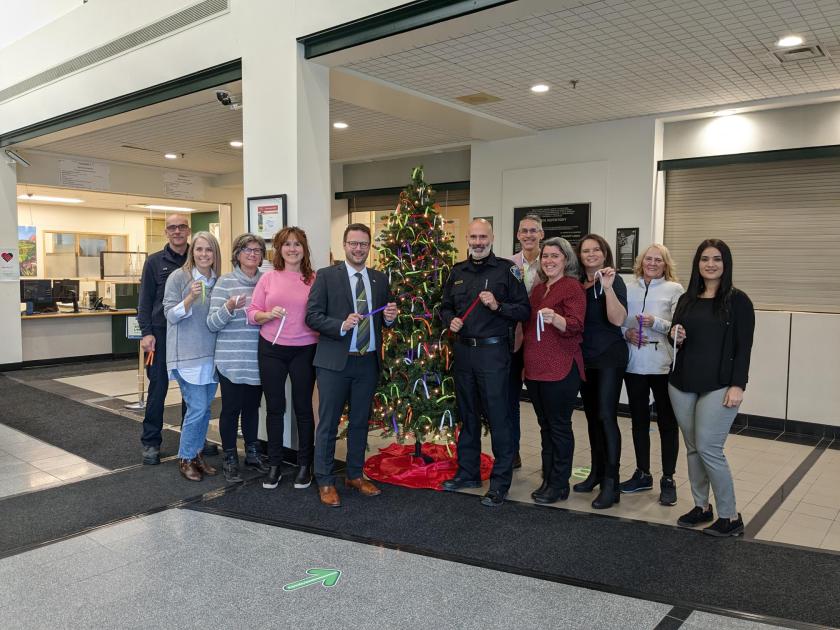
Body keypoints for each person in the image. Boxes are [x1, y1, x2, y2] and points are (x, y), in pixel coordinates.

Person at [305, 224, 398, 507]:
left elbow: (382, 319)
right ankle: (324, 480)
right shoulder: (326, 276)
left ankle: (355, 474)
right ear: (344, 245)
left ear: (369, 247)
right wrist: (340, 325)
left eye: (364, 244)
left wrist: (391, 318)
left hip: (367, 362)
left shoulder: (379, 279)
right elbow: (312, 316)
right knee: (328, 424)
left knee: (360, 422)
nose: (358, 249)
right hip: (334, 363)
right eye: (353, 244)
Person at [440, 218, 530, 507]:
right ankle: (468, 473)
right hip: (464, 353)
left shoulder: (507, 271)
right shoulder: (456, 272)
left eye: (483, 237)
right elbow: (444, 307)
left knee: (498, 418)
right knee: (467, 417)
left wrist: (497, 306)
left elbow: (524, 310)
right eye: (474, 237)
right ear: (467, 238)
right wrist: (448, 320)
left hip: (494, 355)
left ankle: (500, 483)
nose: (478, 242)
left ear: (492, 238)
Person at [669, 239, 754, 537]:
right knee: (693, 448)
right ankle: (702, 507)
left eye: (717, 259)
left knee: (709, 447)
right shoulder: (687, 299)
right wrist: (674, 334)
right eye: (705, 259)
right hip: (682, 383)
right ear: (698, 263)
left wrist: (738, 385)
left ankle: (730, 516)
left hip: (719, 385)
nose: (710, 264)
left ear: (725, 263)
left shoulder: (738, 300)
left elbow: (744, 348)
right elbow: (677, 336)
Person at [248, 227, 319, 490]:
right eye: (287, 244)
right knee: (275, 408)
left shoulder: (314, 279)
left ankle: (304, 465)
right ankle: (275, 465)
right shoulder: (268, 279)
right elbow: (252, 312)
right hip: (271, 349)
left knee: (303, 409)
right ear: (279, 249)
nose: (292, 249)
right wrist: (267, 316)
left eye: (297, 244)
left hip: (305, 349)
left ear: (304, 249)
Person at [522, 237, 585, 504]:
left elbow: (576, 324)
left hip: (561, 369)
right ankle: (549, 477)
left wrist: (557, 319)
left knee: (559, 427)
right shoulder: (537, 290)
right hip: (535, 369)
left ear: (566, 259)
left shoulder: (573, 287)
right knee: (544, 426)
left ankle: (559, 484)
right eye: (545, 256)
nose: (549, 260)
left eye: (555, 256)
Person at [620, 244, 684, 506]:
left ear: (665, 264)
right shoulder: (629, 286)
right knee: (638, 421)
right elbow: (618, 319)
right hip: (634, 365)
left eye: (659, 259)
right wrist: (626, 333)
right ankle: (643, 473)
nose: (653, 263)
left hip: (662, 365)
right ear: (641, 261)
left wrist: (655, 323)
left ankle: (668, 478)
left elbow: (680, 327)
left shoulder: (674, 289)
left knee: (667, 423)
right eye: (649, 258)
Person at [207, 233, 268, 482]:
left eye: (257, 250)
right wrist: (229, 307)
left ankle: (252, 452)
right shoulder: (225, 282)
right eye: (247, 250)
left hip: (259, 358)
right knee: (231, 409)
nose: (252, 254)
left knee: (253, 409)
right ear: (237, 255)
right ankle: (230, 456)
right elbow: (212, 324)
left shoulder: (268, 281)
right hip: (231, 359)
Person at [574, 233, 628, 509]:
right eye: (586, 251)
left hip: (609, 357)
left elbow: (618, 319)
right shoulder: (576, 283)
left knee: (607, 416)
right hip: (585, 358)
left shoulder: (613, 280)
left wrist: (606, 288)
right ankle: (595, 472)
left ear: (605, 254)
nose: (591, 254)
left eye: (596, 250)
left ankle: (612, 482)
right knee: (592, 417)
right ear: (579, 256)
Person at [163, 231, 222, 482]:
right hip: (187, 355)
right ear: (192, 252)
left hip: (211, 356)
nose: (204, 254)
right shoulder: (179, 277)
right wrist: (190, 298)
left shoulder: (219, 281)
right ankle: (185, 457)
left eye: (209, 250)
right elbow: (170, 314)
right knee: (197, 408)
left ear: (215, 253)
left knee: (205, 410)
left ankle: (197, 455)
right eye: (199, 249)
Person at [138, 213, 193, 465]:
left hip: (190, 333)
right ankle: (151, 442)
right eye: (172, 227)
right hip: (160, 334)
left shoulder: (199, 258)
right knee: (158, 389)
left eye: (182, 226)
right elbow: (145, 301)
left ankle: (191, 440)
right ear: (166, 232)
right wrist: (146, 333)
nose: (177, 231)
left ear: (188, 230)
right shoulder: (153, 262)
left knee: (190, 391)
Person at [507, 214, 544, 469]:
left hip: (544, 341)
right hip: (515, 340)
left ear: (541, 234)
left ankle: (549, 458)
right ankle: (513, 452)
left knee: (543, 402)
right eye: (524, 231)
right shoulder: (507, 264)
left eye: (534, 230)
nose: (529, 235)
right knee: (511, 400)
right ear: (518, 235)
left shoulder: (553, 261)